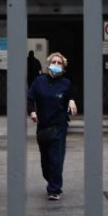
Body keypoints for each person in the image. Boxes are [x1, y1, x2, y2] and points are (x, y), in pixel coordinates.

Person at [26, 52, 77, 201]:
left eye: (59, 63)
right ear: (48, 65)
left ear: (63, 67)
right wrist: (32, 111)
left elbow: (71, 96)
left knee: (56, 159)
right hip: (42, 127)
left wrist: (72, 101)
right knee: (46, 162)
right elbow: (30, 98)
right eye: (54, 62)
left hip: (59, 126)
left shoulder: (66, 83)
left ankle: (54, 190)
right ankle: (52, 179)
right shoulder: (39, 81)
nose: (56, 65)